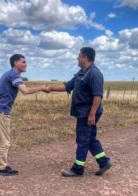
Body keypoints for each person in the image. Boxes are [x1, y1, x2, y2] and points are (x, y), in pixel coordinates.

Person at [0, 54, 49, 176]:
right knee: (5, 141)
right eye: (23, 62)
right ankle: (2, 168)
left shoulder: (8, 74)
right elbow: (25, 91)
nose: (26, 64)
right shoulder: (13, 75)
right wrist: (41, 88)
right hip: (1, 111)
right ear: (16, 63)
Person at [48, 47, 112, 177]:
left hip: (87, 112)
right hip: (82, 112)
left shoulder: (94, 73)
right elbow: (68, 86)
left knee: (82, 139)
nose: (77, 58)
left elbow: (97, 96)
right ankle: (104, 161)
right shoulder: (81, 72)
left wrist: (92, 114)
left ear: (85, 57)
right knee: (89, 138)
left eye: (79, 56)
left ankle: (77, 169)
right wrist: (51, 88)